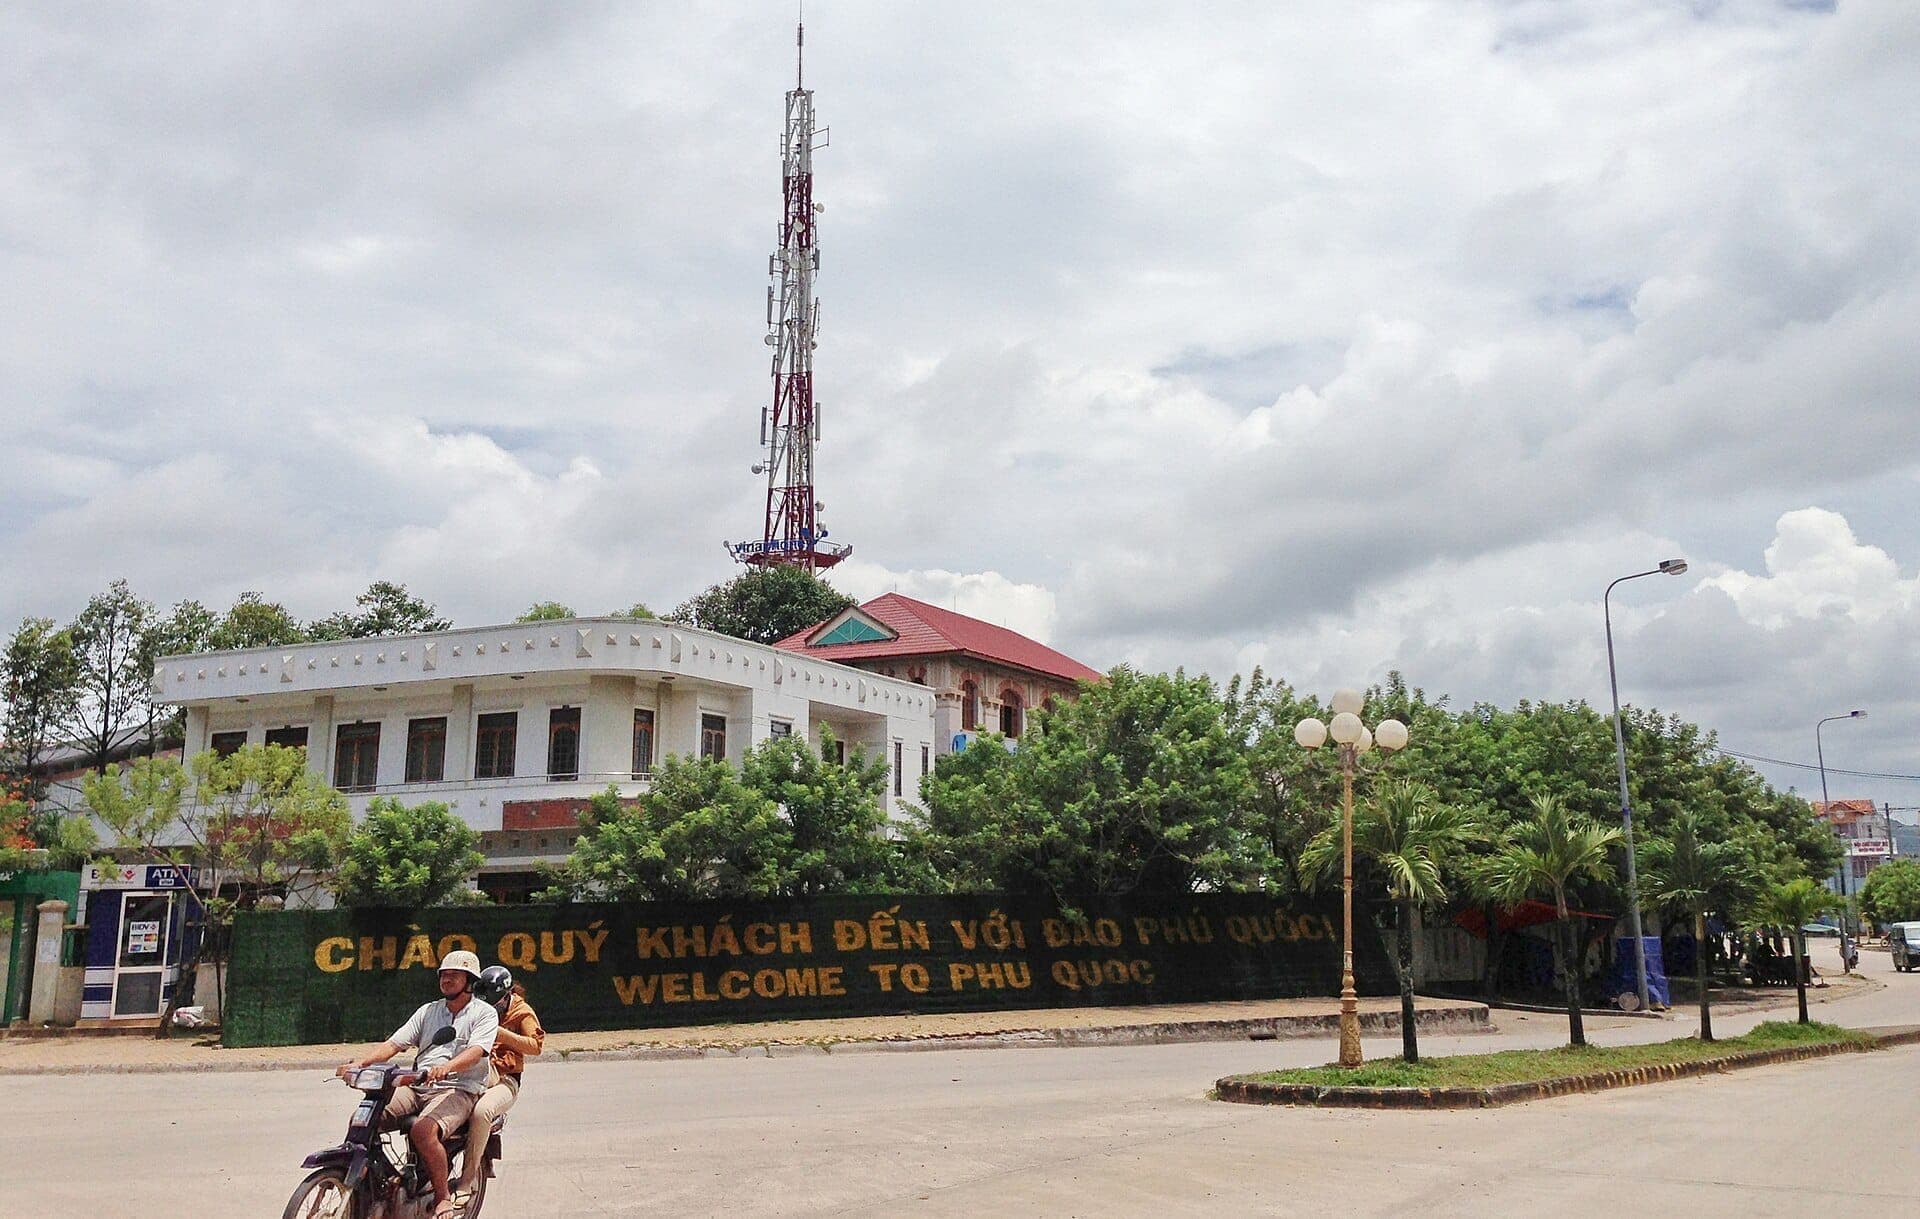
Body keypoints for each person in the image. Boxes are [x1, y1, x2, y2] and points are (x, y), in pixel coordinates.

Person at [335, 949, 499, 1219]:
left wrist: (447, 1067)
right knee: (363, 1118)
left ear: (469, 982)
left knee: (423, 1131)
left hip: (458, 1088)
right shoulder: (428, 1011)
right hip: (417, 1084)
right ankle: (367, 1179)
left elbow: (477, 1051)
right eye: (443, 976)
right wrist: (361, 1064)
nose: (446, 981)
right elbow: (395, 1044)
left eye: (453, 976)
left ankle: (444, 1197)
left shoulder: (484, 1014)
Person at [452, 966, 545, 1207]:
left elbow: (535, 1046)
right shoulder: (476, 1006)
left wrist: (501, 1034)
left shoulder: (521, 1011)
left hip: (505, 1079)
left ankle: (467, 1179)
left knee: (482, 1111)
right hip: (477, 1071)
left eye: (495, 1002)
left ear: (506, 995)